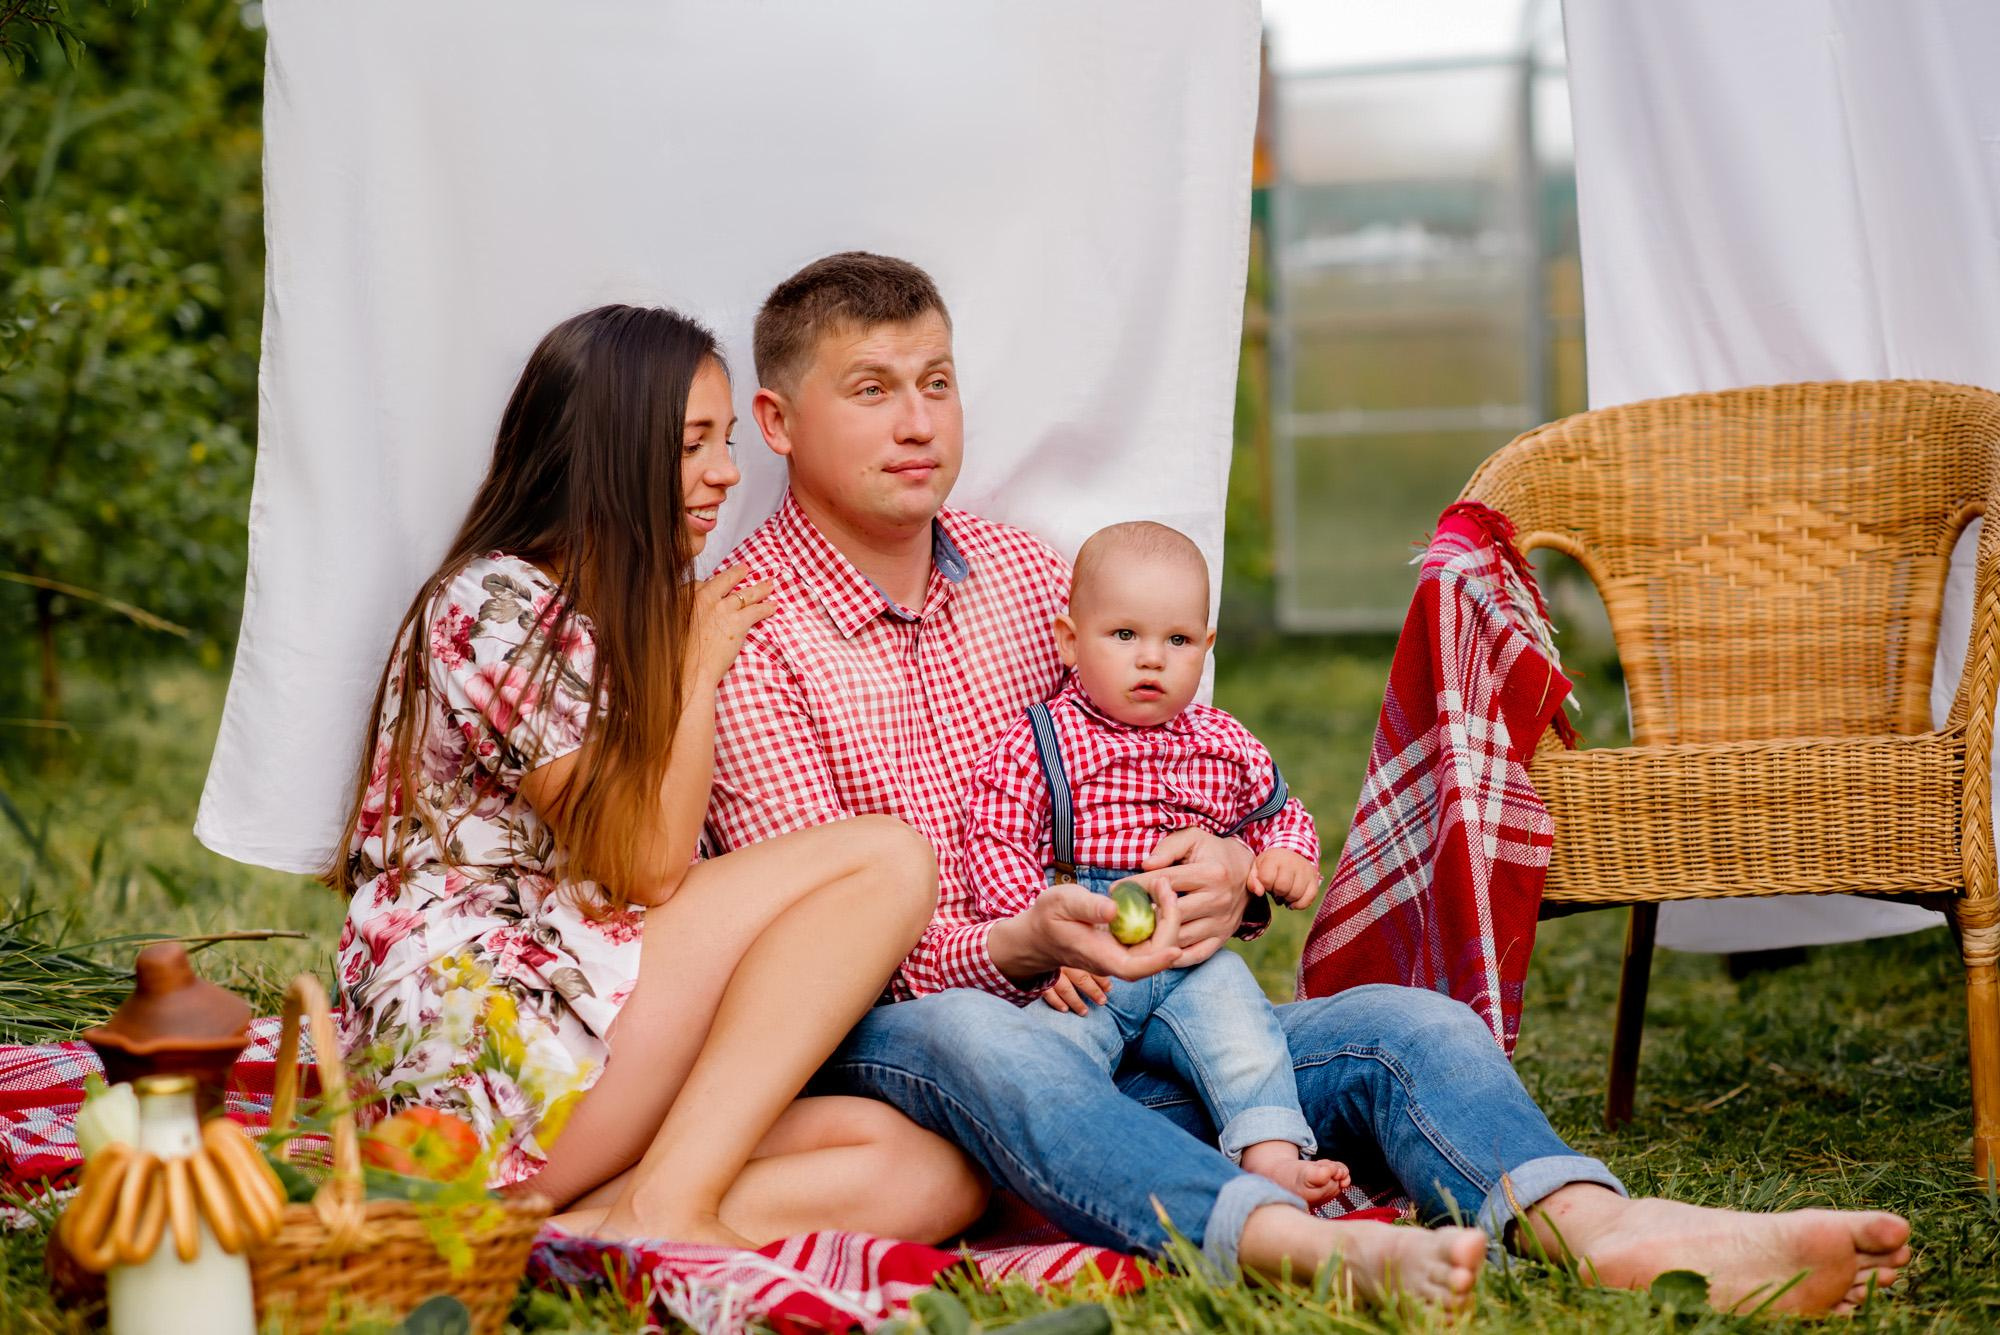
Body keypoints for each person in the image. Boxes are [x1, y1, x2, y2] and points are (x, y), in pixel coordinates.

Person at [705, 251, 1913, 1314]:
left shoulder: (1035, 584)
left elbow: (1171, 764)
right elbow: (828, 957)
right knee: (980, 1033)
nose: (916, 421)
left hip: (1134, 1019)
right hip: (920, 1047)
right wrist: (1020, 942)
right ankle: (1290, 1242)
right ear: (775, 419)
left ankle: (1600, 1228)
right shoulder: (748, 637)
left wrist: (1228, 870)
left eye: (936, 382)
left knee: (1407, 1028)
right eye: (870, 390)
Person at [328, 303, 986, 1249]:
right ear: (605, 452)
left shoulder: (612, 609)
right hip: (479, 1044)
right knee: (885, 860)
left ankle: (563, 1236)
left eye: (724, 441)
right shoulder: (493, 601)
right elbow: (647, 865)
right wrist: (695, 674)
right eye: (691, 446)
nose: (725, 472)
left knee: (924, 1170)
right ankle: (664, 1203)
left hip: (582, 1024)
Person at [961, 519, 1346, 1208]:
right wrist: (1045, 936)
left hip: (1192, 959)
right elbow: (996, 842)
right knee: (1053, 1054)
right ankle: (1048, 1170)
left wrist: (1285, 854)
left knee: (1247, 1037)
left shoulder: (1223, 741)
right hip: (1092, 956)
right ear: (1068, 641)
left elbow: (1279, 811)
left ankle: (1274, 1159)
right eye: (1125, 635)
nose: (1152, 659)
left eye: (1177, 640)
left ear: (1206, 646)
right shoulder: (1041, 741)